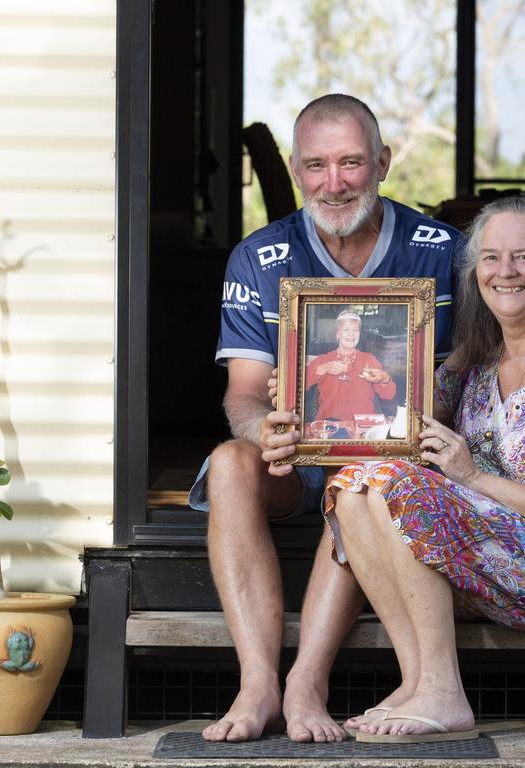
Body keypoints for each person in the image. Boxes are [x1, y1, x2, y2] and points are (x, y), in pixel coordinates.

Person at [192, 94, 461, 743]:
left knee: (360, 471)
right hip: (294, 467)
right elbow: (244, 394)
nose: (334, 182)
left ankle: (305, 683)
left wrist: (414, 400)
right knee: (231, 463)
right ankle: (256, 682)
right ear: (294, 168)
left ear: (383, 163)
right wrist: (265, 430)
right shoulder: (258, 257)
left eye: (351, 162)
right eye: (316, 165)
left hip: (387, 466)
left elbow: (467, 382)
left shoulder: (444, 250)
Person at [324, 196, 525, 742]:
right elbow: (391, 424)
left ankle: (445, 694)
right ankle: (417, 678)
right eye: (490, 258)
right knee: (354, 485)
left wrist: (469, 477)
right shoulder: (477, 357)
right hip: (491, 554)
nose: (505, 272)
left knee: (405, 488)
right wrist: (309, 403)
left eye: (523, 257)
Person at [304, 308, 396, 426]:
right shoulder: (323, 360)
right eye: (346, 330)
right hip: (330, 424)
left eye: (355, 330)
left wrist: (384, 378)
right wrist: (321, 369)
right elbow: (298, 386)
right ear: (337, 334)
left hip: (365, 424)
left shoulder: (369, 359)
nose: (351, 334)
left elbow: (388, 395)